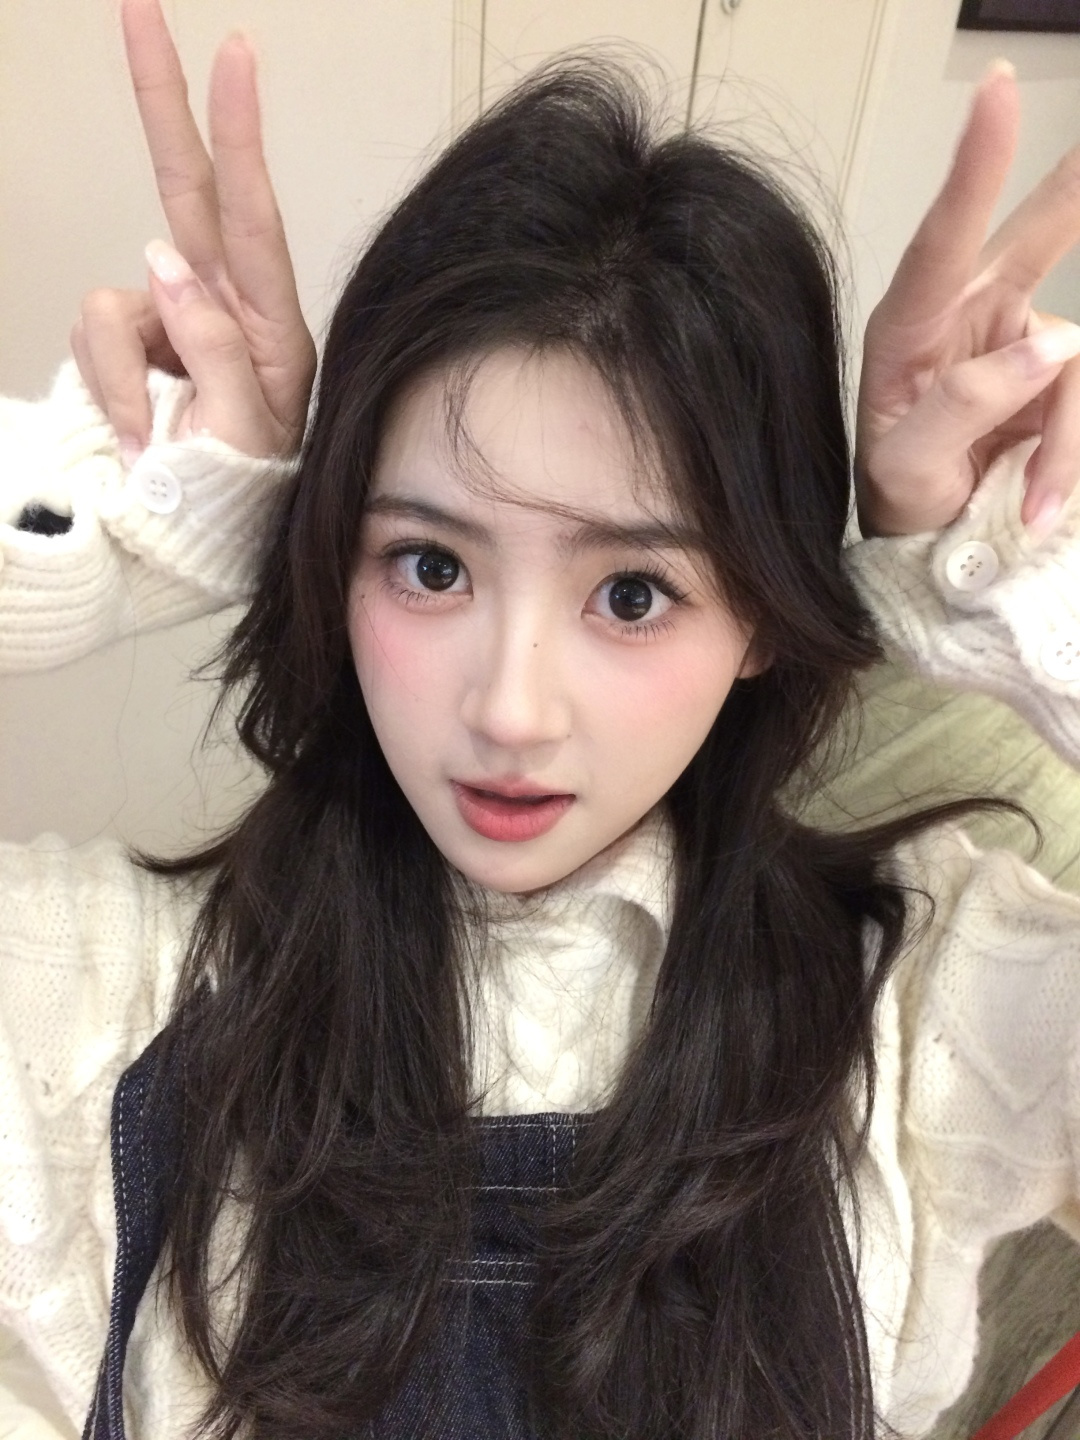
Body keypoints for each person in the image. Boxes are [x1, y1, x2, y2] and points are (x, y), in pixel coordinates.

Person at [2, 1, 1080, 1437]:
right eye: (430, 565)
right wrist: (93, 535)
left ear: (763, 616)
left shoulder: (925, 1002)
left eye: (633, 594)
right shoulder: (112, 991)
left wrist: (1014, 596)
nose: (510, 712)